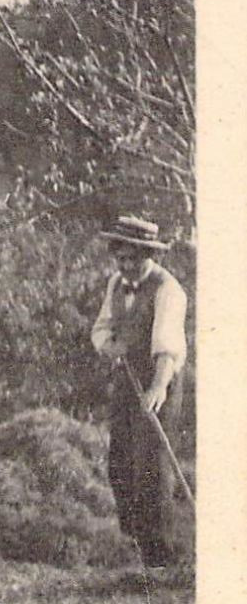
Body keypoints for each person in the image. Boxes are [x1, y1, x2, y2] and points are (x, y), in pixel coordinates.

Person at [90, 215, 188, 569]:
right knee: (120, 459)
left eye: (134, 258)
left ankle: (159, 554)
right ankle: (131, 542)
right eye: (121, 258)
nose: (127, 266)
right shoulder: (116, 282)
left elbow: (167, 346)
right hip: (126, 378)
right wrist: (109, 346)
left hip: (160, 377)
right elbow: (102, 328)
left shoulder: (168, 290)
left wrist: (157, 388)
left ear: (150, 255)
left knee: (151, 462)